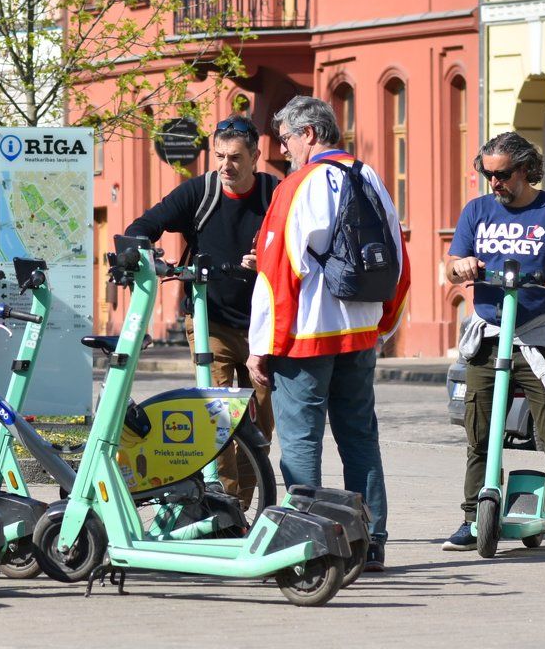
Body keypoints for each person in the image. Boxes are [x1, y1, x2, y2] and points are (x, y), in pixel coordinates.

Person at [246, 95, 410, 572]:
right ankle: (372, 539)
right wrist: (383, 326)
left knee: (300, 443)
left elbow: (277, 275)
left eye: (287, 139)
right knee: (360, 439)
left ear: (310, 135)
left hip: (306, 337)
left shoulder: (297, 186)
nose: (283, 150)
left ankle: (305, 544)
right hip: (359, 335)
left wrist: (263, 347)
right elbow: (399, 261)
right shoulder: (370, 177)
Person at [443, 131, 545, 553]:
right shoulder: (476, 211)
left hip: (537, 335)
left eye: (502, 174)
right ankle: (472, 517)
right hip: (489, 334)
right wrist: (462, 265)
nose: (494, 182)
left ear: (525, 169)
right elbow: (451, 265)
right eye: (487, 174)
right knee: (479, 433)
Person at [125, 116, 278, 500]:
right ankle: (226, 506)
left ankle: (244, 498)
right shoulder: (200, 192)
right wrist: (141, 247)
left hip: (265, 323)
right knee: (220, 415)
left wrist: (271, 262)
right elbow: (145, 223)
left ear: (256, 156)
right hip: (211, 318)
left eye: (236, 158)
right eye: (220, 156)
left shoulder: (275, 195)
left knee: (259, 420)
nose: (226, 165)